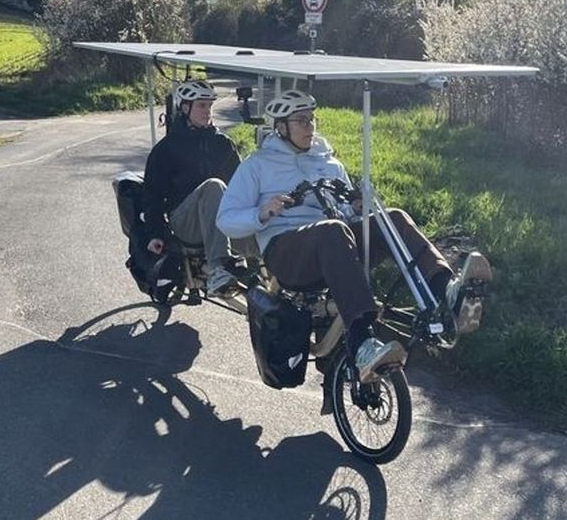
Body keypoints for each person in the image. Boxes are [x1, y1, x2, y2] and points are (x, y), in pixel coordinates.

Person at [217, 89, 492, 383]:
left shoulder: (328, 162)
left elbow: (345, 214)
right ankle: (362, 342)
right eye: (301, 120)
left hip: (333, 244)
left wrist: (357, 208)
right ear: (281, 127)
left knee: (394, 218)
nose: (310, 127)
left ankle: (446, 291)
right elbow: (225, 219)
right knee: (332, 231)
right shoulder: (257, 165)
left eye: (312, 119)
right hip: (286, 251)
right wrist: (261, 213)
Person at [141, 80, 244, 297]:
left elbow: (242, 183)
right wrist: (155, 234)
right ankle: (218, 269)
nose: (207, 111)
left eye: (209, 106)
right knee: (214, 186)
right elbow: (153, 195)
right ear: (185, 108)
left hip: (220, 218)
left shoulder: (223, 143)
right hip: (184, 221)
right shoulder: (167, 149)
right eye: (201, 105)